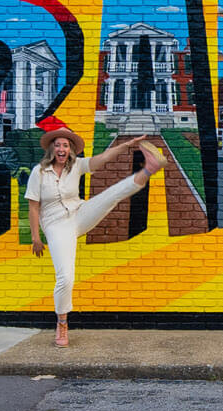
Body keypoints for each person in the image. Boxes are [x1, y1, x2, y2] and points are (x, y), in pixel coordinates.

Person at [26, 123, 162, 346]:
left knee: (110, 195)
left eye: (66, 145)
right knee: (66, 277)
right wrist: (36, 238)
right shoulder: (38, 173)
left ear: (70, 150)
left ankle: (147, 170)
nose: (62, 149)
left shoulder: (76, 166)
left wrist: (127, 144)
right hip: (56, 226)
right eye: (58, 145)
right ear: (52, 149)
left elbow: (103, 158)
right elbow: (33, 207)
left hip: (79, 213)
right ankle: (62, 323)